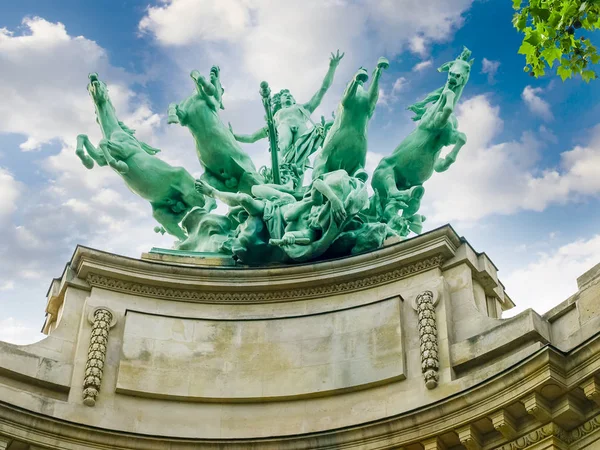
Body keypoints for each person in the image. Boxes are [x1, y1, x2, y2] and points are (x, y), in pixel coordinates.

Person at [229, 51, 344, 181]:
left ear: (294, 100)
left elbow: (323, 89)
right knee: (283, 146)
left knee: (302, 156)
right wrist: (233, 136)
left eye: (290, 95)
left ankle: (295, 178)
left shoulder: (303, 108)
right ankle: (282, 171)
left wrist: (332, 67)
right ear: (280, 100)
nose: (288, 96)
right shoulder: (275, 117)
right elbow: (252, 138)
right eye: (285, 95)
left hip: (302, 127)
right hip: (283, 126)